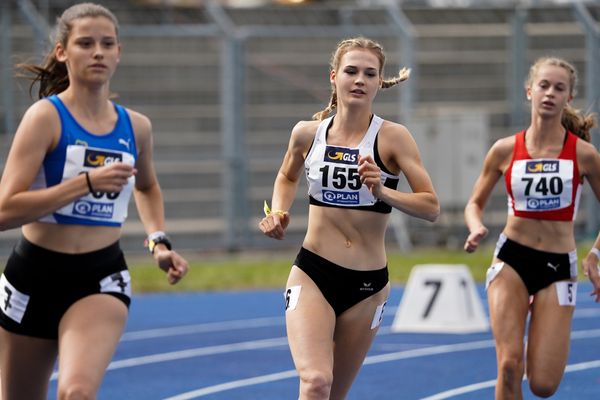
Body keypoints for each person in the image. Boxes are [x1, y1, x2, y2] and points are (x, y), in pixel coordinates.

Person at [0, 3, 188, 399]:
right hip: (32, 276)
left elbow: (147, 186)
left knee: (77, 392)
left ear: (119, 52)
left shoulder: (136, 126)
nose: (98, 52)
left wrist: (158, 240)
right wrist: (84, 183)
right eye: (86, 43)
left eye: (107, 44)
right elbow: (5, 211)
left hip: (99, 277)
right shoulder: (45, 118)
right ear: (62, 52)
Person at [259, 37, 440, 400]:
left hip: (367, 287)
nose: (359, 79)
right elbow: (287, 176)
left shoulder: (393, 138)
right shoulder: (307, 134)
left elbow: (431, 206)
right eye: (351, 71)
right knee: (315, 382)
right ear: (334, 77)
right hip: (313, 272)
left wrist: (384, 192)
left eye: (369, 73)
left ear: (379, 82)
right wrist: (279, 211)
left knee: (334, 394)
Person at [463, 56, 600, 399]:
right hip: (511, 258)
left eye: (559, 88)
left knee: (543, 384)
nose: (550, 93)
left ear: (569, 97)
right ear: (529, 91)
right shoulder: (505, 149)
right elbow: (474, 202)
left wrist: (595, 254)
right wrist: (476, 226)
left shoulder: (584, 155)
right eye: (543, 85)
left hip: (558, 267)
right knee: (509, 365)